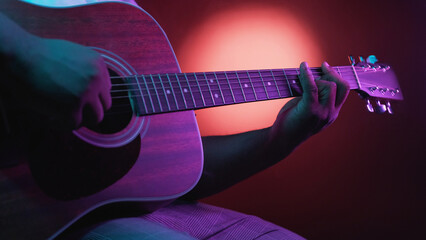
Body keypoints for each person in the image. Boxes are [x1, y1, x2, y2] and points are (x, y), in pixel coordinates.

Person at [0, 0, 350, 239]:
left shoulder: (124, 17)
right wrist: (27, 52)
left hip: (69, 213)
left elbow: (161, 178)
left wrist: (279, 138)